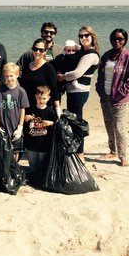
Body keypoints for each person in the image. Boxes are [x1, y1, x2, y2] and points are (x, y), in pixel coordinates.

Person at [96, 29, 129, 167]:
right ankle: (113, 150)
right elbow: (100, 74)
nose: (117, 41)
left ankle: (123, 156)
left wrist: (122, 91)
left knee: (119, 127)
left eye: (120, 39)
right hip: (105, 97)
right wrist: (99, 89)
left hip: (119, 99)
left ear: (125, 40)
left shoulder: (128, 57)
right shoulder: (107, 55)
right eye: (114, 39)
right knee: (109, 125)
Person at [57, 26, 100, 162]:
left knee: (77, 121)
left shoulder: (91, 55)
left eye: (86, 35)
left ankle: (80, 152)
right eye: (81, 36)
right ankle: (75, 149)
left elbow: (77, 73)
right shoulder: (83, 51)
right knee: (73, 119)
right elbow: (72, 47)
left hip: (79, 91)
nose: (83, 38)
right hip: (74, 90)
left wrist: (62, 77)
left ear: (92, 36)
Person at [0, 63, 30, 162]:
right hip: (3, 126)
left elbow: (23, 109)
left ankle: (14, 169)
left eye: (11, 76)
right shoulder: (0, 90)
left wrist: (20, 127)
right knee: (3, 151)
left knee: (15, 151)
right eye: (6, 76)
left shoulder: (21, 91)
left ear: (17, 75)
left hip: (15, 127)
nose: (9, 78)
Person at [18, 38, 61, 117]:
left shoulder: (48, 68)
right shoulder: (27, 65)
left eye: (41, 50)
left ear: (45, 51)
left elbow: (54, 90)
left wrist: (58, 108)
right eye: (35, 49)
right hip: (28, 106)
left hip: (43, 107)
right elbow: (22, 84)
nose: (37, 52)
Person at [24, 85, 57, 174]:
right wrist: (25, 118)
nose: (41, 100)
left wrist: (50, 123)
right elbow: (24, 120)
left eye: (44, 98)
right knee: (33, 166)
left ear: (48, 98)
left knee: (42, 166)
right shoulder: (30, 109)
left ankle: (39, 177)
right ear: (35, 97)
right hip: (31, 143)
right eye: (39, 98)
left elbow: (57, 124)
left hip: (44, 143)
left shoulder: (50, 111)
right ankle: (33, 175)